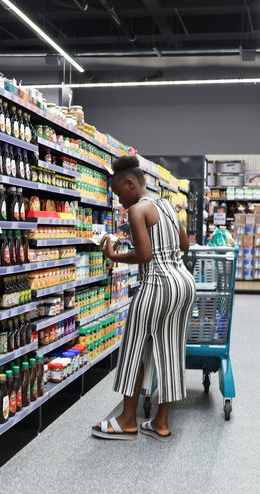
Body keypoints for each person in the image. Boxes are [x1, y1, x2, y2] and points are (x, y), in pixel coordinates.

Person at [92, 155, 196, 442]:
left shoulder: (137, 210)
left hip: (157, 283)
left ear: (130, 183)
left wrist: (114, 255)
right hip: (183, 284)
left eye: (119, 194)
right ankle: (161, 423)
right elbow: (185, 244)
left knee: (134, 348)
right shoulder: (167, 206)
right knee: (170, 351)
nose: (120, 202)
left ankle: (127, 420)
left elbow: (145, 256)